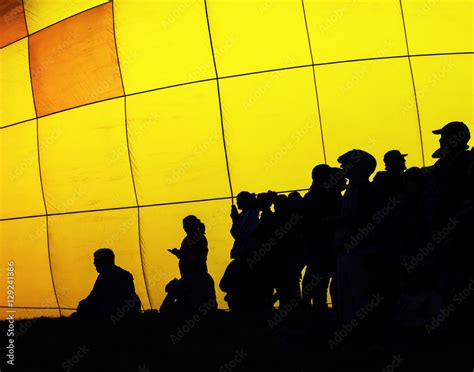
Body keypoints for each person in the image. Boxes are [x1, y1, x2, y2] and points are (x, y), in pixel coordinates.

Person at [76, 248, 141, 319]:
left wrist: (82, 305)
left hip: (113, 316)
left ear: (104, 261)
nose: (94, 263)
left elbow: (94, 297)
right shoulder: (125, 274)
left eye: (96, 260)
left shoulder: (105, 276)